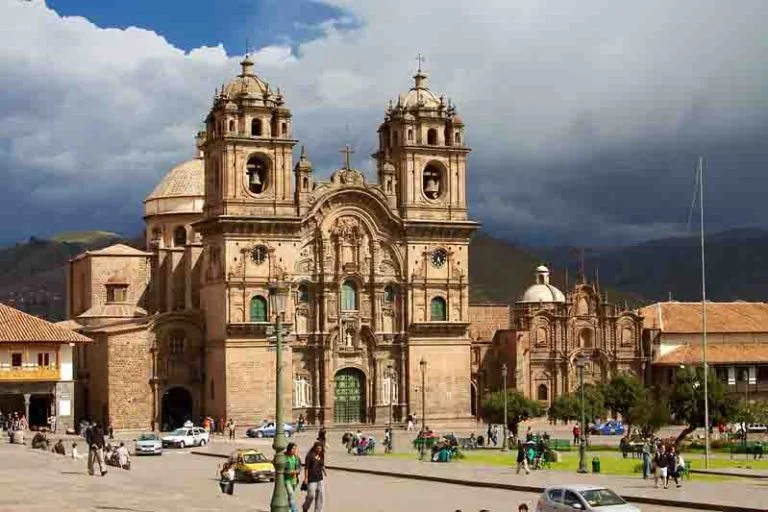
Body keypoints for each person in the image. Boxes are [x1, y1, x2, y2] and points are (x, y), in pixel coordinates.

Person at [302, 441, 325, 512]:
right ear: (314, 448)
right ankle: (305, 506)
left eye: (320, 448)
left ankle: (318, 510)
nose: (319, 450)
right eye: (318, 448)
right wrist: (306, 478)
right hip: (311, 479)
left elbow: (322, 464)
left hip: (319, 478)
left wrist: (324, 469)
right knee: (311, 495)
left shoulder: (321, 454)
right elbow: (306, 467)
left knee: (320, 495)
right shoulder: (310, 455)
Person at [284, 442, 302, 512]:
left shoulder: (296, 457)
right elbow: (281, 469)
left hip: (294, 480)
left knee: (291, 497)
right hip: (287, 480)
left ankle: (288, 510)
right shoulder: (284, 457)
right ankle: (295, 510)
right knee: (291, 495)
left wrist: (298, 471)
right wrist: (290, 472)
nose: (294, 450)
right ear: (289, 449)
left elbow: (300, 467)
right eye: (293, 449)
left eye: (295, 449)